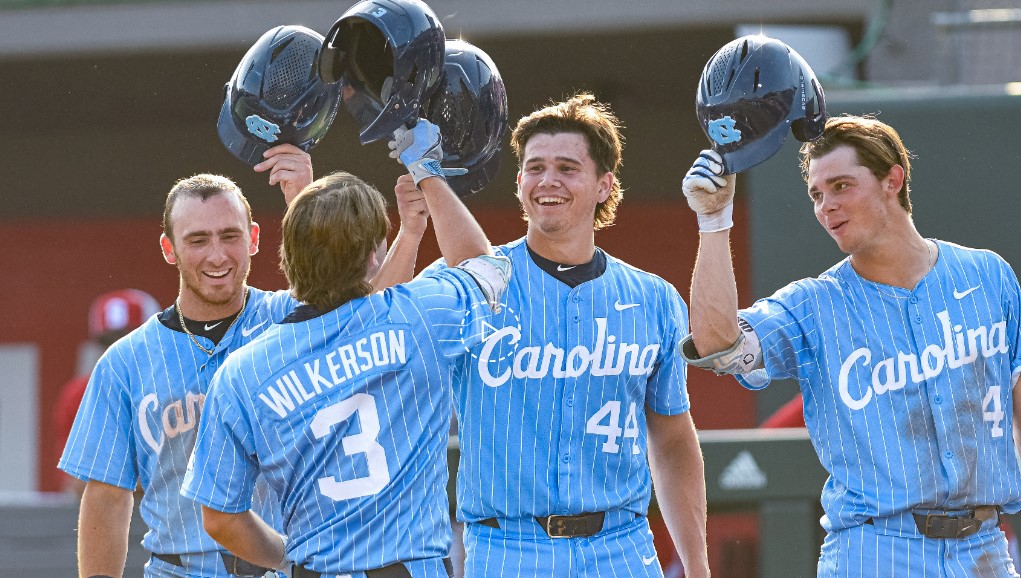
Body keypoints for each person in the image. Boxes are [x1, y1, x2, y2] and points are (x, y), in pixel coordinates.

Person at [682, 114, 1021, 576]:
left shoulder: (989, 276)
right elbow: (718, 343)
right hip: (874, 550)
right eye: (816, 195)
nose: (827, 207)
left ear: (892, 180)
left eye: (841, 186)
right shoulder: (812, 304)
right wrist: (713, 219)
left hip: (984, 546)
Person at [181, 120, 510, 578]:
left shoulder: (242, 371)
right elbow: (487, 266)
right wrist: (426, 170)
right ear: (374, 252)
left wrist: (286, 560)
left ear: (285, 253)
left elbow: (218, 516)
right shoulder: (419, 316)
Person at [429, 93, 709, 577]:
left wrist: (697, 565)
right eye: (534, 168)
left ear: (605, 185)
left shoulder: (656, 299)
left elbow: (672, 437)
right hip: (507, 547)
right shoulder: (471, 282)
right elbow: (375, 319)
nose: (548, 181)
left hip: (620, 547)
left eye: (567, 167)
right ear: (519, 183)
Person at [54, 289, 161, 496]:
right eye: (108, 341)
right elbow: (78, 480)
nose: (118, 350)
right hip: (107, 519)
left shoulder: (183, 385)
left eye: (130, 339)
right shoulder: (80, 394)